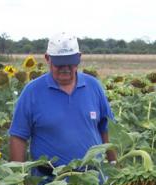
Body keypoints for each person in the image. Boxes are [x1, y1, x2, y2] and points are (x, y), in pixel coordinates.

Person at [9, 32, 115, 171]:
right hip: (49, 184)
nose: (65, 68)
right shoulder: (33, 91)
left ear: (79, 58)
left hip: (94, 181)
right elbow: (18, 136)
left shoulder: (93, 86)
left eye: (71, 63)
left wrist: (114, 166)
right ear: (48, 58)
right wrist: (18, 180)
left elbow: (107, 129)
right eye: (59, 63)